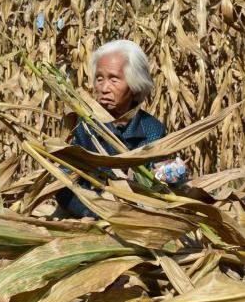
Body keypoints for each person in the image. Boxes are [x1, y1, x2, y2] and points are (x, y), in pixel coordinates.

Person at [55, 40, 186, 218]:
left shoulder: (152, 131)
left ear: (134, 84)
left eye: (114, 79)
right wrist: (96, 213)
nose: (103, 88)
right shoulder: (84, 128)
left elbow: (159, 184)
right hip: (91, 220)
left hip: (139, 221)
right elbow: (64, 186)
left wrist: (168, 176)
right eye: (99, 79)